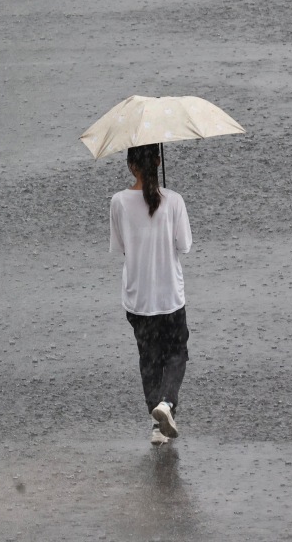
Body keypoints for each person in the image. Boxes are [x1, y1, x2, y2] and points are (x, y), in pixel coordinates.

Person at [110, 144, 193, 446]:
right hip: (169, 295)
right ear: (158, 161)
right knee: (176, 353)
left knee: (149, 358)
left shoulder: (118, 202)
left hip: (138, 298)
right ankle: (167, 404)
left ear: (131, 165)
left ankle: (157, 426)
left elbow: (120, 247)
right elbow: (184, 245)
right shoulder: (174, 201)